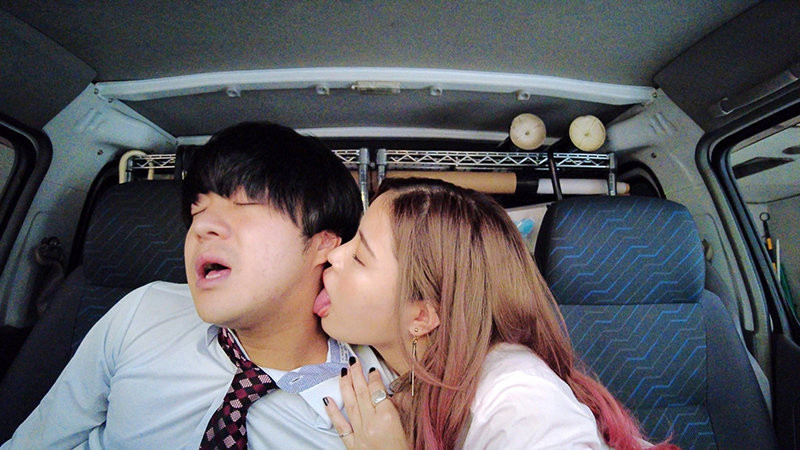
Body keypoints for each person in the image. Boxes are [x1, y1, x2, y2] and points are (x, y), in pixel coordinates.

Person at [2, 122, 392, 449]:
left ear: (324, 244)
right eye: (196, 210)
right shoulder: (144, 312)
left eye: (243, 205)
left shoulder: (381, 405)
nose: (202, 226)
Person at [318, 178, 676, 449]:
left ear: (421, 317)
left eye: (359, 257)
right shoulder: (418, 371)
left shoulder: (519, 401)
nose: (334, 255)